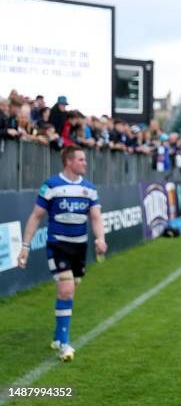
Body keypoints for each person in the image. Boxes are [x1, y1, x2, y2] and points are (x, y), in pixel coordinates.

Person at [17, 145, 107, 361]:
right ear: (69, 161)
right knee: (66, 290)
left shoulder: (89, 189)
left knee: (71, 288)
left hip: (79, 247)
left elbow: (95, 217)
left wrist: (100, 239)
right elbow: (36, 216)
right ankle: (64, 345)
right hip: (58, 245)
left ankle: (57, 337)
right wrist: (25, 246)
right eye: (81, 159)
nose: (85, 163)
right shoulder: (51, 186)